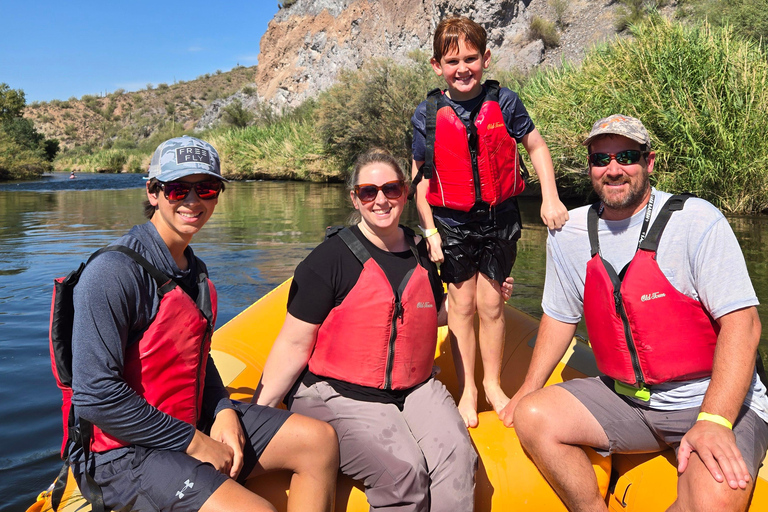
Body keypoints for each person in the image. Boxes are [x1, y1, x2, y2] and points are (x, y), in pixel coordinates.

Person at [503, 114, 768, 512]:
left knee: (713, 500)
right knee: (533, 415)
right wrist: (528, 388)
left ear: (649, 162)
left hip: (709, 400)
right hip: (627, 400)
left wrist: (714, 421)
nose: (613, 169)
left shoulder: (696, 220)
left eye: (626, 156)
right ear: (589, 166)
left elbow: (743, 324)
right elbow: (560, 318)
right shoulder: (568, 233)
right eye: (600, 159)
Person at [66, 136, 338, 512]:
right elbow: (96, 395)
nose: (193, 201)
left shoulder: (194, 271)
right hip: (124, 455)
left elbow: (195, 356)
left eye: (206, 189)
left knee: (318, 440)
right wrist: (193, 442)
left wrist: (223, 409)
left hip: (185, 418)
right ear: (153, 192)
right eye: (178, 189)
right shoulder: (113, 274)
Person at [254, 149, 513, 512]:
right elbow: (294, 344)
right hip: (337, 394)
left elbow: (427, 313)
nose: (381, 200)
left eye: (391, 189)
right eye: (368, 192)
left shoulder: (423, 252)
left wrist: (485, 295)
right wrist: (257, 413)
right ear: (354, 199)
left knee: (457, 460)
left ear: (405, 193)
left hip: (415, 388)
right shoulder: (328, 261)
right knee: (403, 472)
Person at [410, 15, 569, 428]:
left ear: (486, 58)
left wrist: (549, 197)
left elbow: (535, 145)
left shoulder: (506, 102)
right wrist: (430, 232)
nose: (462, 68)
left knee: (491, 303)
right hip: (451, 222)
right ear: (436, 66)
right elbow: (420, 181)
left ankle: (494, 384)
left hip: (500, 217)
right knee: (461, 304)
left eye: (471, 58)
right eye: (452, 61)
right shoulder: (426, 114)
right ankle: (468, 391)